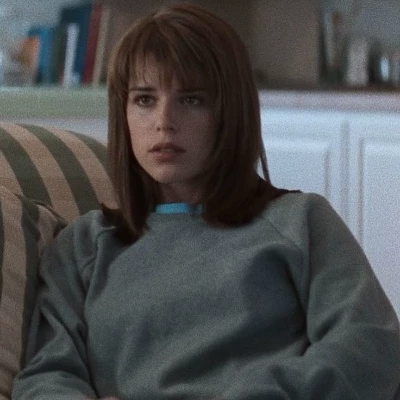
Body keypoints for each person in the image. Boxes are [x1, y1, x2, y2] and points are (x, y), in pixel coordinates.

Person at [12, 2, 400, 400]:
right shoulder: (83, 247)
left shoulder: (301, 222)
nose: (164, 121)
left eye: (191, 100)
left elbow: (370, 348)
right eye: (144, 99)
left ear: (230, 112)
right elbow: (47, 376)